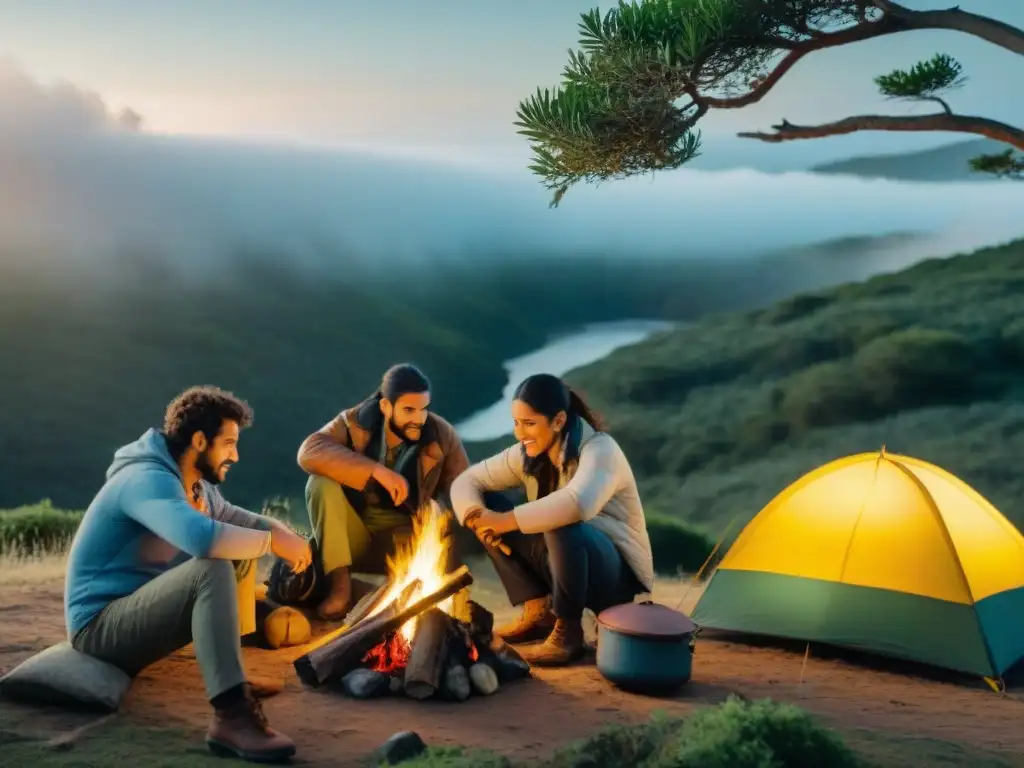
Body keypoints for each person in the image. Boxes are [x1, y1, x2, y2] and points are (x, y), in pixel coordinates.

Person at [64, 385, 311, 763]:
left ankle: (234, 676)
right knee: (211, 565)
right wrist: (270, 544)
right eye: (228, 443)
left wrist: (281, 533)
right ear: (199, 440)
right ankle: (232, 717)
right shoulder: (146, 479)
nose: (236, 455)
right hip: (98, 626)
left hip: (137, 611)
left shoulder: (195, 483)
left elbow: (232, 520)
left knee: (235, 550)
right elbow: (204, 540)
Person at [450, 373, 655, 667]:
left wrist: (505, 521)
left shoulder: (601, 449)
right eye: (516, 423)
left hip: (615, 576)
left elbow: (577, 504)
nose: (520, 433)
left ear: (558, 421)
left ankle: (568, 632)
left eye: (529, 423)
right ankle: (539, 613)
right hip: (567, 563)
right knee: (488, 504)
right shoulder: (528, 453)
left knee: (558, 518)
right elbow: (466, 481)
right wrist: (475, 515)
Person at [296, 363, 470, 620]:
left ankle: (404, 601)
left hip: (407, 539)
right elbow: (309, 452)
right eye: (409, 410)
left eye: (423, 409)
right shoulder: (351, 423)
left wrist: (438, 509)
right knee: (319, 483)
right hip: (353, 537)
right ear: (386, 406)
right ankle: (340, 590)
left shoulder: (441, 434)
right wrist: (376, 471)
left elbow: (464, 487)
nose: (418, 419)